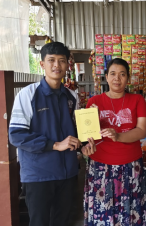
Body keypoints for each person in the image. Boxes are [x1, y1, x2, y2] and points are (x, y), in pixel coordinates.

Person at [9, 42, 96, 226]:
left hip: (67, 174)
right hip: (38, 175)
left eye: (62, 61)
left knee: (63, 221)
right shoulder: (27, 95)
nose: (57, 65)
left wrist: (86, 143)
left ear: (67, 65)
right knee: (39, 222)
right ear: (42, 64)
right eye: (51, 60)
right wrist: (55, 144)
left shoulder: (72, 97)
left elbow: (76, 134)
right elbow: (16, 135)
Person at [83, 58, 146, 226]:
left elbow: (142, 131)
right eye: (112, 74)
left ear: (128, 78)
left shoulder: (137, 100)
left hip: (130, 166)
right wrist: (86, 147)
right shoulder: (94, 102)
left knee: (129, 212)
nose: (117, 79)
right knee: (102, 213)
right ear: (106, 77)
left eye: (122, 74)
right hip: (100, 167)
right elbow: (88, 136)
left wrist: (118, 136)